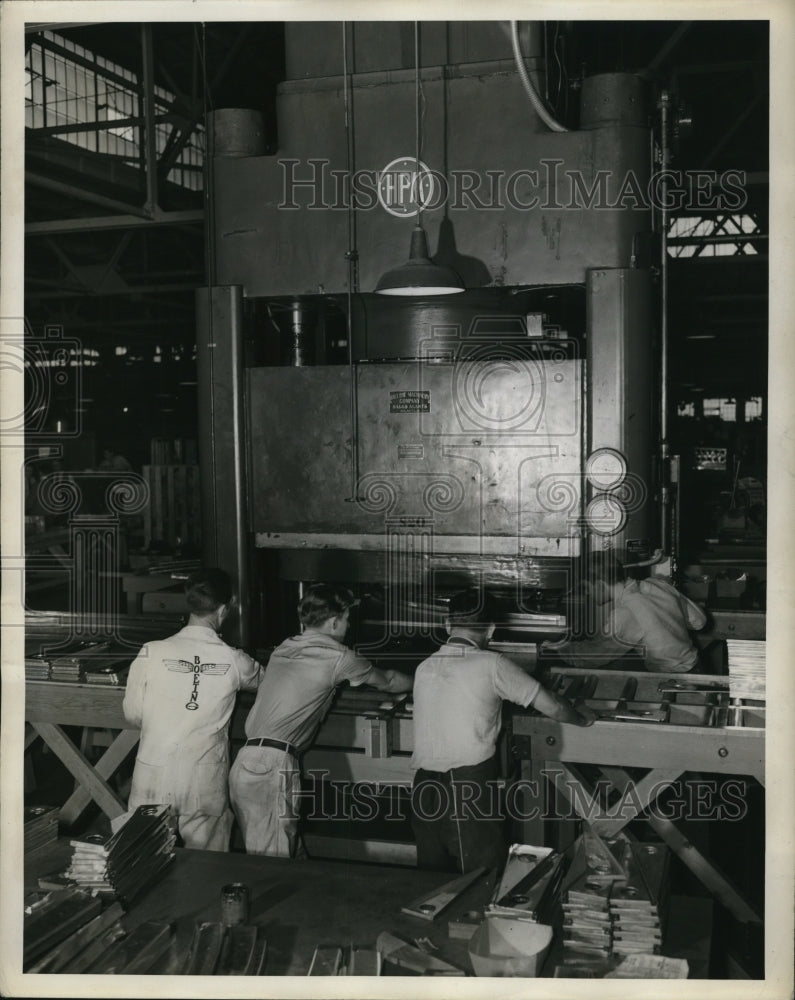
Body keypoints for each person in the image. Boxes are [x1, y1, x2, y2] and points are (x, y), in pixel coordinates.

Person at [410, 589, 595, 874]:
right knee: (478, 872)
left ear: (447, 626)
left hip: (424, 784)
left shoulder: (424, 666)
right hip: (465, 782)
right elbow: (554, 707)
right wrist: (582, 719)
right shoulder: (490, 664)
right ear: (492, 629)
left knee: (432, 876)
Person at [229, 583, 412, 858]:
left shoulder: (284, 647)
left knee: (289, 851)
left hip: (246, 762)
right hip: (272, 766)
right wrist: (428, 680)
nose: (349, 626)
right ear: (335, 621)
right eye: (348, 620)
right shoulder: (339, 657)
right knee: (274, 863)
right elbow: (388, 681)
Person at [123, 568, 261, 851]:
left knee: (142, 863)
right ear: (224, 609)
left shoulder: (151, 651)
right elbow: (268, 683)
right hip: (202, 779)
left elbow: (133, 714)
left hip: (153, 772)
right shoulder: (234, 659)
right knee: (206, 868)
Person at [541, 552, 707, 672]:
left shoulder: (625, 613)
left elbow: (593, 656)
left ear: (599, 584)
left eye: (586, 589)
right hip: (697, 665)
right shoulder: (658, 585)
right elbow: (699, 621)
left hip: (676, 678)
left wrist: (560, 648)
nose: (587, 594)